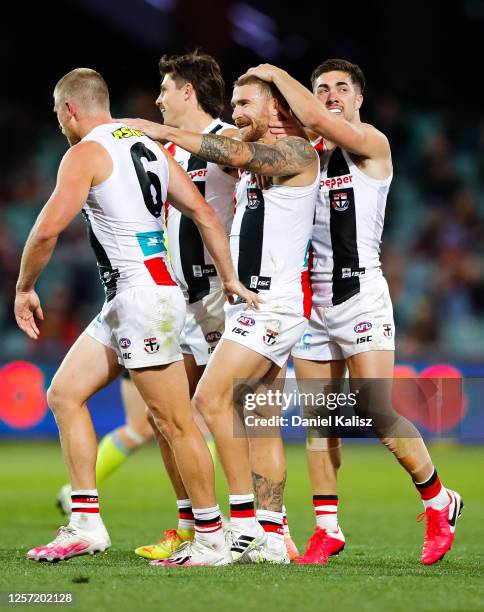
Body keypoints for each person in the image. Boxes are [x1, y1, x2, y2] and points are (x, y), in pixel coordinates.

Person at [14, 67, 259, 565]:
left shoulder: (83, 153)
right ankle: (86, 524)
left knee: (175, 422)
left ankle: (212, 537)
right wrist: (230, 277)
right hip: (136, 296)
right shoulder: (150, 147)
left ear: (70, 110)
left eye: (59, 114)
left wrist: (24, 288)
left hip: (142, 297)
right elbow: (205, 213)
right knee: (64, 393)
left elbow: (44, 232)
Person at [241, 59, 463, 565]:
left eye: (342, 87)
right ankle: (327, 529)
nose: (332, 94)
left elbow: (318, 121)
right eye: (322, 88)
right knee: (320, 422)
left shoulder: (372, 146)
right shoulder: (304, 154)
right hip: (311, 305)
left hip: (360, 295)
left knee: (377, 412)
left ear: (359, 99)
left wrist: (274, 72)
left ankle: (439, 501)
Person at [127, 74, 320, 565]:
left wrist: (165, 130)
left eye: (244, 103)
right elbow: (230, 151)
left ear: (275, 107)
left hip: (274, 305)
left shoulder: (298, 153)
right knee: (260, 422)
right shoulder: (247, 146)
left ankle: (242, 527)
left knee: (209, 401)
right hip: (250, 304)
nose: (234, 112)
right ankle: (274, 538)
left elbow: (234, 154)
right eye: (231, 103)